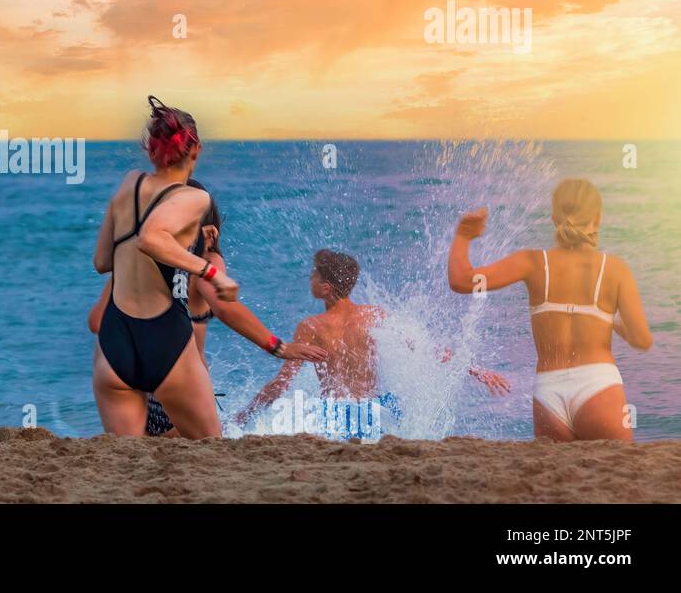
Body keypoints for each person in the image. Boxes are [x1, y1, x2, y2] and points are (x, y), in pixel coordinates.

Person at [88, 182, 326, 436]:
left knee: (137, 459)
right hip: (178, 381)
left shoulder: (136, 260)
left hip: (127, 377)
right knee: (203, 449)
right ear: (209, 232)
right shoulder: (204, 261)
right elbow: (225, 308)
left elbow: (96, 321)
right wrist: (280, 347)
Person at [448, 178, 651, 441]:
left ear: (555, 218)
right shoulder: (614, 269)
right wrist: (613, 323)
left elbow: (461, 281)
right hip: (600, 388)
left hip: (549, 395)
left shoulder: (532, 262)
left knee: (560, 482)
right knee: (621, 478)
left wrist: (463, 236)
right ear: (597, 217)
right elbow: (642, 340)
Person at [90, 96, 239, 439]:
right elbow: (151, 238)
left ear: (150, 150)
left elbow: (101, 262)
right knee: (213, 451)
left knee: (129, 463)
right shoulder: (195, 198)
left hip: (115, 341)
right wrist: (212, 272)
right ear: (195, 149)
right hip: (163, 339)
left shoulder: (129, 183)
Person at [241, 250, 507, 440]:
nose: (309, 278)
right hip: (378, 412)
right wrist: (476, 371)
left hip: (336, 416)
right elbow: (427, 349)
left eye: (314, 275)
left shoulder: (311, 327)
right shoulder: (374, 315)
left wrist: (244, 416)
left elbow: (282, 383)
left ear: (325, 288)